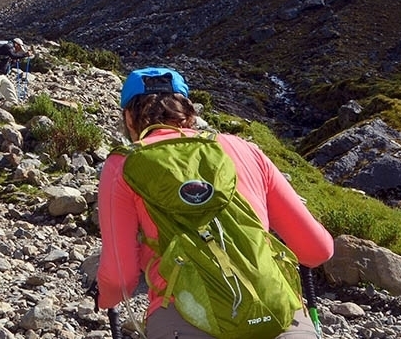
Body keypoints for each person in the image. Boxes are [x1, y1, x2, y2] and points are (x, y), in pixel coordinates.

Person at [96, 66, 335, 339]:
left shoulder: (123, 165)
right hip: (276, 313)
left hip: (185, 317)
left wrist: (105, 298)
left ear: (128, 117)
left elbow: (120, 279)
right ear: (188, 111)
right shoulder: (243, 149)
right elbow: (318, 250)